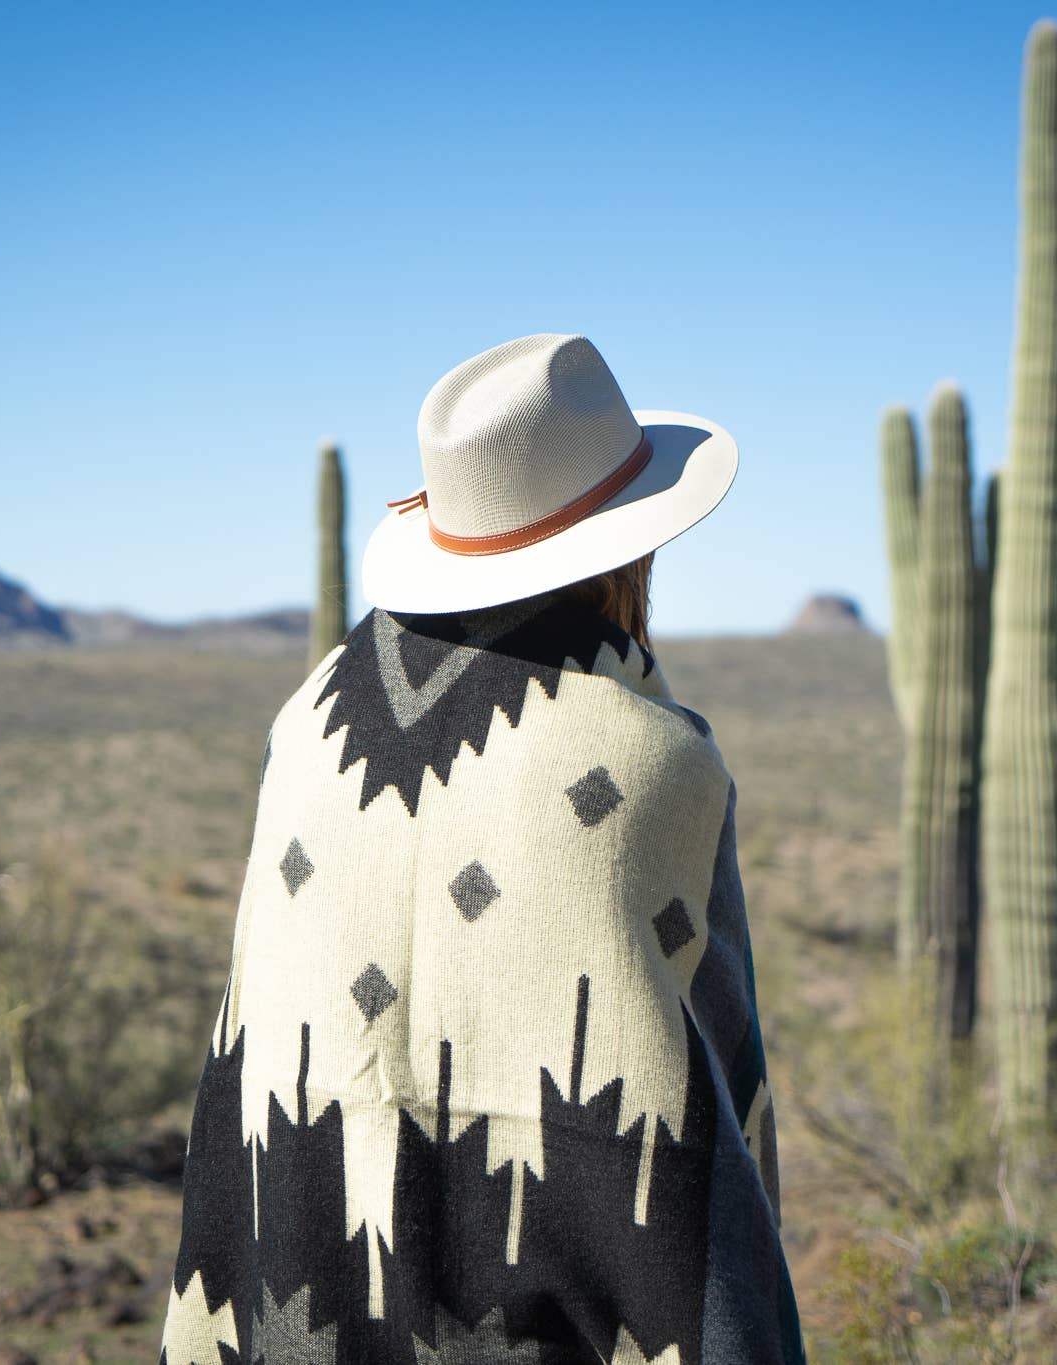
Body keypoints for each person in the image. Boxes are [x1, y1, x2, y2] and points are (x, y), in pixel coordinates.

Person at [161, 333, 806, 1364]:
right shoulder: (655, 757)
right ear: (629, 541)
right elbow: (698, 1116)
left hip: (293, 1312)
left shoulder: (303, 728)